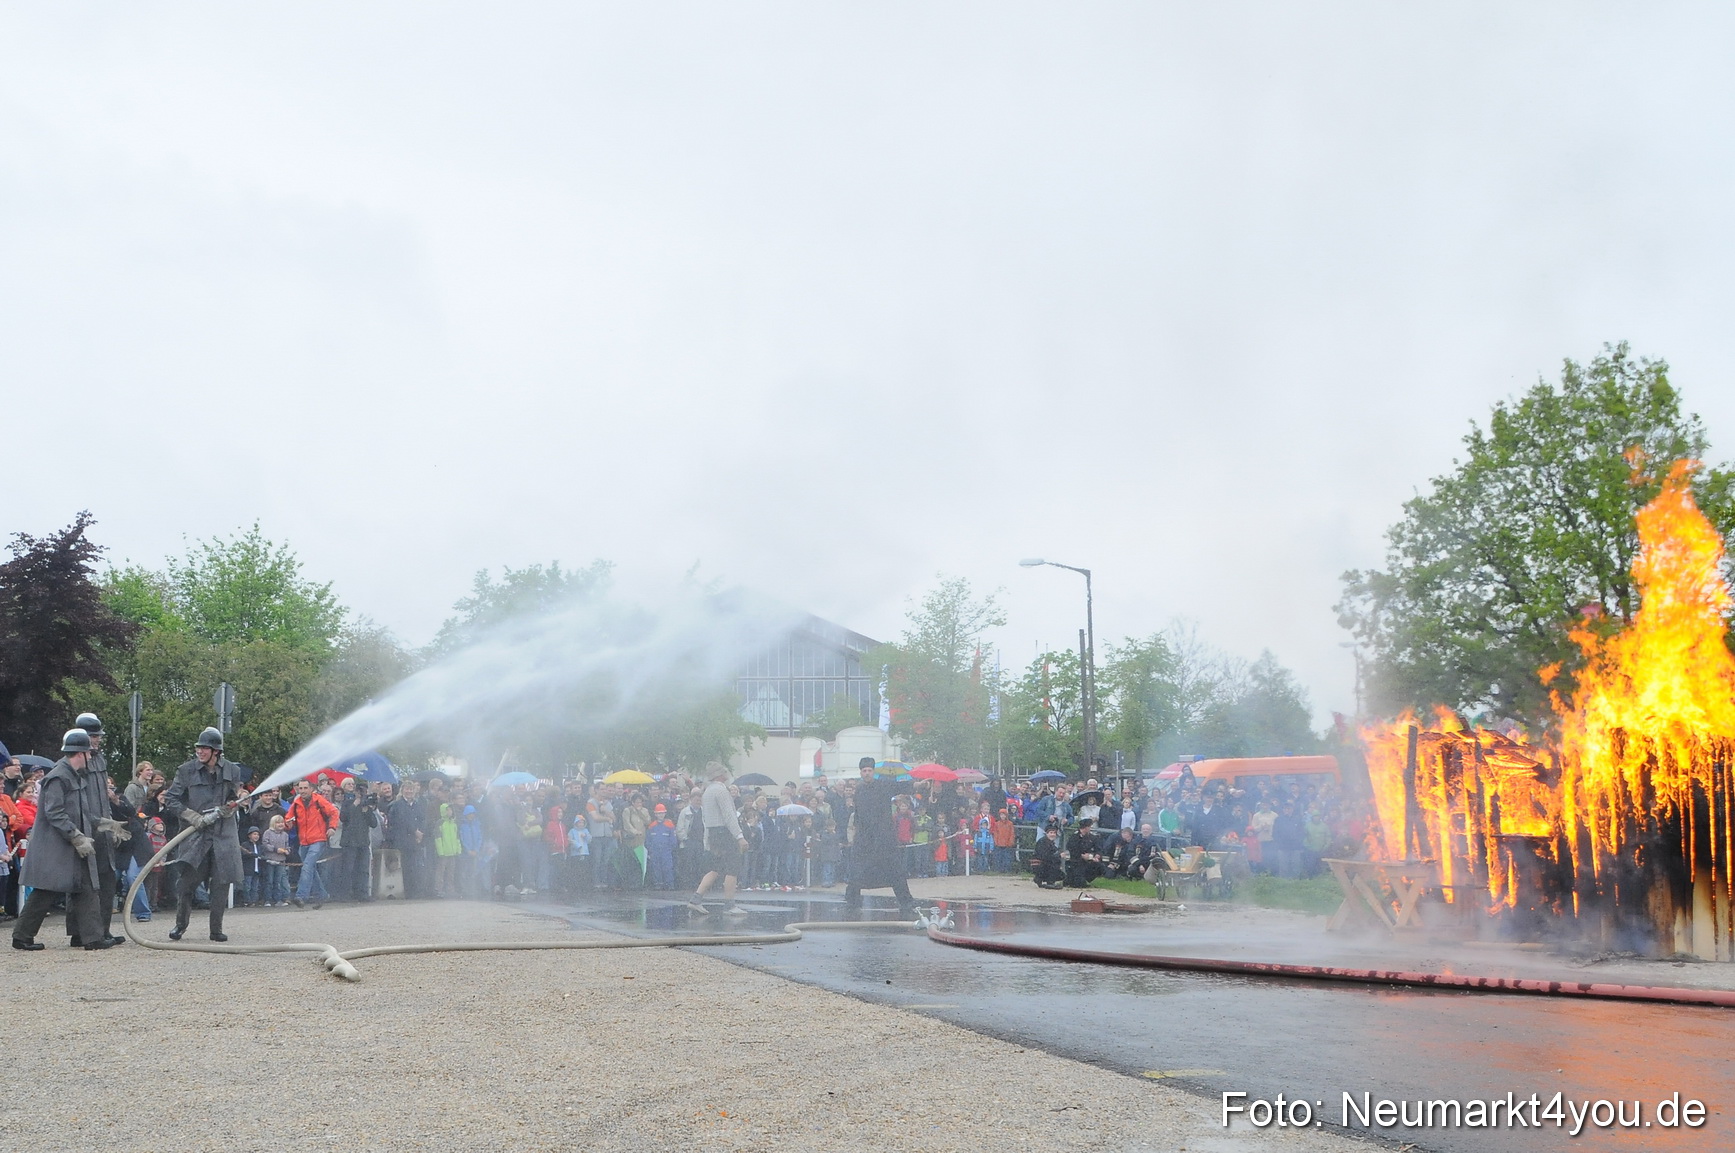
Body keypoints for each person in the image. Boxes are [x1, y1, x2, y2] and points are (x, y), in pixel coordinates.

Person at [12, 729, 115, 951]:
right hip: (56, 846)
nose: (91, 757)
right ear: (81, 753)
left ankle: (90, 938)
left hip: (69, 844)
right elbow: (55, 813)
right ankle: (22, 936)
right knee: (46, 890)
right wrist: (77, 836)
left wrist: (107, 824)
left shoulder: (73, 775)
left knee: (86, 886)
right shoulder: (58, 776)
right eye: (89, 752)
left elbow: (82, 812)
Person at [161, 728, 248, 942]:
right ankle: (180, 925)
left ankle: (216, 930)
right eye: (198, 748)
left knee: (221, 883)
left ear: (216, 751)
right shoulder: (186, 770)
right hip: (195, 835)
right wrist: (192, 816)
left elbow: (232, 796)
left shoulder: (231, 770)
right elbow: (171, 799)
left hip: (223, 835)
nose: (200, 751)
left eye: (204, 748)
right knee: (187, 883)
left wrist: (233, 805)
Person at [69, 712, 125, 947]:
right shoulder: (76, 761)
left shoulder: (99, 759)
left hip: (102, 825)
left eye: (97, 736)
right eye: (93, 736)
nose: (97, 740)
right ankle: (79, 933)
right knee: (84, 884)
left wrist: (111, 824)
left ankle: (102, 929)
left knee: (107, 878)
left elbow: (102, 796)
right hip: (85, 827)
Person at [842, 757, 915, 914]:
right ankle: (852, 900)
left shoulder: (883, 785)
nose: (867, 773)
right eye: (864, 771)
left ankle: (906, 901)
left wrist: (918, 785)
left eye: (869, 770)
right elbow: (859, 815)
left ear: (873, 772)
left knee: (895, 869)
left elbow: (901, 786)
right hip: (864, 837)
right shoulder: (859, 790)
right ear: (861, 772)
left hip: (884, 837)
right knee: (856, 869)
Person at [684, 763, 750, 917]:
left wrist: (707, 838)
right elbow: (729, 816)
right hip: (725, 833)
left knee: (715, 868)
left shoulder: (707, 792)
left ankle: (696, 899)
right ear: (720, 775)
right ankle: (729, 905)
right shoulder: (721, 791)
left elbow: (706, 818)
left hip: (713, 833)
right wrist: (739, 836)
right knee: (732, 868)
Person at [285, 778, 340, 908]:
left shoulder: (319, 800)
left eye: (305, 788)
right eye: (300, 788)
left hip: (318, 839)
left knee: (307, 866)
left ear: (311, 789)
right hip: (303, 841)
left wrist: (332, 827)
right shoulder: (296, 803)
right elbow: (289, 818)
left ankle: (300, 896)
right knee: (310, 869)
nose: (302, 791)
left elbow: (334, 812)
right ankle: (322, 895)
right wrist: (288, 823)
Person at [1064, 818, 1105, 887]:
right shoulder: (1074, 838)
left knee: (1100, 867)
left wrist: (1097, 855)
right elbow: (1072, 850)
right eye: (1089, 827)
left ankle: (1087, 878)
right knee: (1078, 884)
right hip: (1077, 862)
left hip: (1089, 860)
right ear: (1086, 827)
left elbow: (1099, 849)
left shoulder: (1093, 838)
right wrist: (1082, 856)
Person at [645, 804, 677, 890]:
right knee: (656, 868)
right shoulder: (652, 826)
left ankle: (669, 884)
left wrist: (670, 848)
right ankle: (658, 884)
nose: (660, 815)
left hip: (666, 851)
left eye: (662, 813)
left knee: (668, 867)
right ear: (655, 814)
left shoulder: (670, 825)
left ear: (665, 813)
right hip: (655, 851)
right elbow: (648, 839)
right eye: (658, 813)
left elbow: (673, 839)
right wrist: (650, 849)